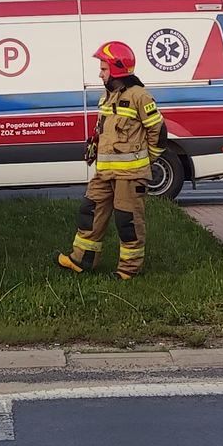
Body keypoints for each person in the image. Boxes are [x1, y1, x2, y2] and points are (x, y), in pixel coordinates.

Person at [57, 41, 164, 280]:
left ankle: (128, 269)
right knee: (89, 212)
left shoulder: (140, 96)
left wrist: (147, 161)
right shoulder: (106, 97)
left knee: (127, 221)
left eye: (104, 69)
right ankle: (82, 260)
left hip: (130, 176)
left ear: (116, 70)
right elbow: (104, 130)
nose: (100, 73)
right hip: (104, 172)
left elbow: (159, 132)